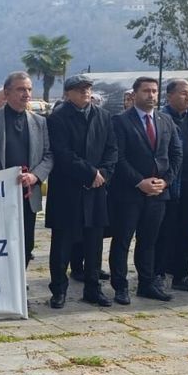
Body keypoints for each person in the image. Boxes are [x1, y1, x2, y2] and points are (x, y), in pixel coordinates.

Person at [45, 75, 118, 309]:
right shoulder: (57, 118)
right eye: (79, 89)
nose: (85, 92)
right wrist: (89, 174)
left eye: (88, 88)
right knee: (62, 244)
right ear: (68, 94)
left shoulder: (103, 116)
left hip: (96, 190)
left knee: (94, 243)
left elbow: (112, 149)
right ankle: (58, 290)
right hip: (67, 190)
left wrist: (103, 174)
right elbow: (62, 153)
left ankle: (93, 289)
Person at [109, 77, 182, 304]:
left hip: (158, 193)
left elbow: (176, 154)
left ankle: (146, 284)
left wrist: (165, 182)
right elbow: (118, 157)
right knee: (122, 241)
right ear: (134, 94)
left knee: (149, 241)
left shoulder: (165, 120)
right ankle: (120, 287)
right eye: (146, 91)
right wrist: (139, 182)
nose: (151, 95)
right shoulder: (120, 121)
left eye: (154, 91)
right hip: (128, 193)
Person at [0, 72, 52, 266]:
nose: (26, 94)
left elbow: (48, 155)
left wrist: (35, 176)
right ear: (6, 93)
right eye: (21, 89)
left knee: (26, 245)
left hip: (27, 196)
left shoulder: (40, 122)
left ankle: (20, 280)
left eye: (29, 89)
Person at [155, 78, 188, 293]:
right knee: (164, 233)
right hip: (168, 186)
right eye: (183, 92)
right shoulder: (160, 119)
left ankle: (181, 275)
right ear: (169, 96)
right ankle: (157, 274)